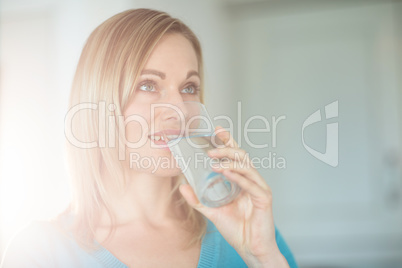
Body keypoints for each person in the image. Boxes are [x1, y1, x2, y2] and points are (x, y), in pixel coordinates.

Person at [0, 8, 298, 268]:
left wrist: (263, 258)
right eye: (147, 85)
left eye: (189, 88)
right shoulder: (41, 253)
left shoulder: (245, 233)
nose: (179, 110)